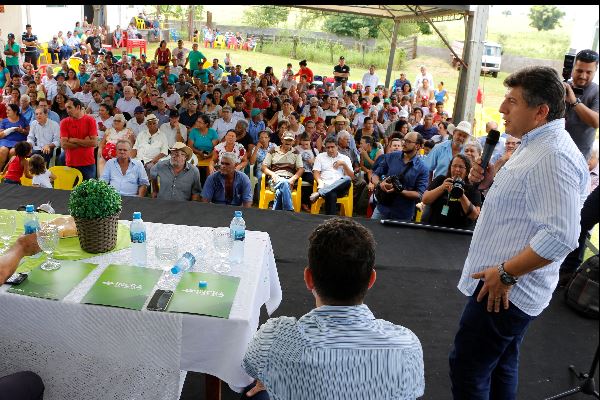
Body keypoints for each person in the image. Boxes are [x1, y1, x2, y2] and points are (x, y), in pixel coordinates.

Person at [448, 66, 589, 399]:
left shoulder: (552, 156)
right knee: (500, 365)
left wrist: (506, 274)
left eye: (512, 101)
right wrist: (485, 181)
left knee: (468, 368)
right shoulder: (536, 143)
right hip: (506, 287)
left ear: (540, 112)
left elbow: (562, 235)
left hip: (504, 292)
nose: (501, 109)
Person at [241, 217, 424, 400]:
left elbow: (249, 367)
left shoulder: (274, 338)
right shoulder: (407, 346)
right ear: (371, 280)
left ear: (308, 278)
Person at [370, 132, 429, 221]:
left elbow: (419, 194)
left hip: (403, 213)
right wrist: (380, 184)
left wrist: (399, 190)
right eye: (404, 140)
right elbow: (375, 175)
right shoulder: (391, 157)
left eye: (408, 141)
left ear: (417, 146)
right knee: (373, 233)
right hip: (382, 208)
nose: (403, 143)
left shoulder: (422, 168)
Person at [421, 154, 481, 229]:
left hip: (459, 232)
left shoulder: (472, 188)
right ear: (450, 167)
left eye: (461, 167)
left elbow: (474, 216)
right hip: (435, 228)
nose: (457, 169)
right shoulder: (440, 180)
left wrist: (461, 194)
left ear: (467, 171)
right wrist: (442, 187)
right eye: (454, 166)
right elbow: (425, 199)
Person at [564, 49, 599, 161]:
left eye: (589, 72)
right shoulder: (562, 87)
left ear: (596, 70)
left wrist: (574, 102)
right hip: (553, 151)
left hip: (579, 157)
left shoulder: (597, 91)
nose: (583, 76)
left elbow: (596, 122)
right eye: (579, 71)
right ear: (572, 68)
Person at [309, 137, 354, 215]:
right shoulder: (320, 157)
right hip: (325, 185)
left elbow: (352, 176)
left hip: (341, 188)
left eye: (332, 147)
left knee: (347, 179)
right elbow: (316, 172)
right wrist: (320, 183)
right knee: (331, 194)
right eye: (328, 147)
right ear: (325, 148)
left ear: (337, 147)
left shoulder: (345, 158)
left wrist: (343, 164)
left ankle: (319, 193)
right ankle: (331, 220)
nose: (330, 150)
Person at [261, 131, 304, 211]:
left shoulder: (296, 153)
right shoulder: (273, 150)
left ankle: (276, 213)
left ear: (293, 142)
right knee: (284, 183)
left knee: (279, 192)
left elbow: (301, 169)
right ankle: (289, 210)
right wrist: (272, 174)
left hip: (289, 180)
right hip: (274, 180)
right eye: (286, 139)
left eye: (290, 140)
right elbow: (263, 167)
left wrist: (293, 179)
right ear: (282, 140)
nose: (288, 142)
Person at [0, 104, 30, 171]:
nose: (6, 111)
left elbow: (28, 132)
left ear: (15, 111)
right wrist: (9, 130)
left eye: (9, 110)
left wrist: (21, 130)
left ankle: (10, 172)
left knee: (13, 151)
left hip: (19, 142)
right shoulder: (4, 121)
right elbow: (1, 135)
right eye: (6, 110)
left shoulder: (23, 119)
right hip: (5, 141)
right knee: (3, 150)